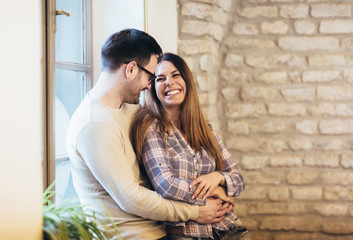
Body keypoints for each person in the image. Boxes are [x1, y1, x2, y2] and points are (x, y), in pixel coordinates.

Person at [66, 29, 230, 240]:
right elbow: (131, 198)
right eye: (151, 76)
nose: (149, 85)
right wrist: (197, 211)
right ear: (131, 69)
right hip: (131, 235)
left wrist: (213, 185)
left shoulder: (130, 110)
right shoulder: (94, 125)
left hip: (158, 228)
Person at [131, 53, 249, 239]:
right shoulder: (150, 127)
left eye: (175, 75)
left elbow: (239, 181)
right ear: (152, 88)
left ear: (186, 80)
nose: (169, 82)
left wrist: (217, 177)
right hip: (188, 234)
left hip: (230, 229)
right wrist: (218, 190)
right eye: (160, 79)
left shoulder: (206, 131)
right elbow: (166, 185)